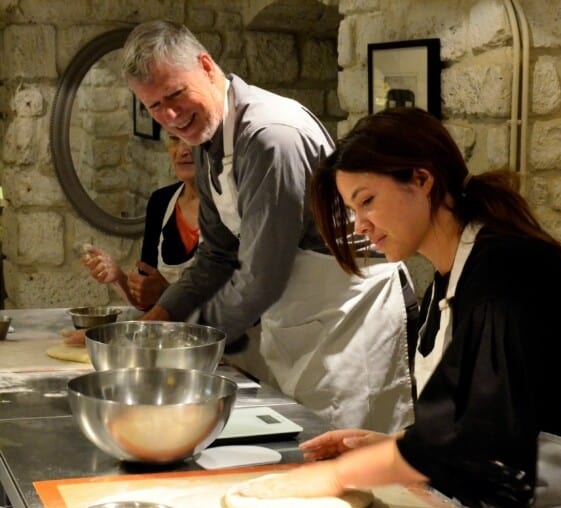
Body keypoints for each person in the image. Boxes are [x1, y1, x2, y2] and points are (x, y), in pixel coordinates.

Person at [235, 107, 561, 508]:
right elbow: (468, 413)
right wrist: (388, 445)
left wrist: (337, 476)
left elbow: (478, 435)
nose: (360, 225)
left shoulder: (503, 272)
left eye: (367, 200)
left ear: (423, 181)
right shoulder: (449, 276)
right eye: (352, 209)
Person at [111, 19, 419, 431]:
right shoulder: (208, 137)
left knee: (347, 458)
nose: (170, 115)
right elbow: (216, 255)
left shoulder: (270, 136)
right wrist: (149, 327)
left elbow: (262, 277)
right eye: (153, 106)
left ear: (205, 65)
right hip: (301, 316)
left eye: (176, 94)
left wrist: (185, 344)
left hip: (354, 315)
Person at [80, 135, 199, 310]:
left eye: (191, 141)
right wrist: (118, 276)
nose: (182, 151)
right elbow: (146, 300)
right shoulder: (160, 202)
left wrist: (166, 291)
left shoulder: (230, 210)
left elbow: (239, 302)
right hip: (167, 335)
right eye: (174, 140)